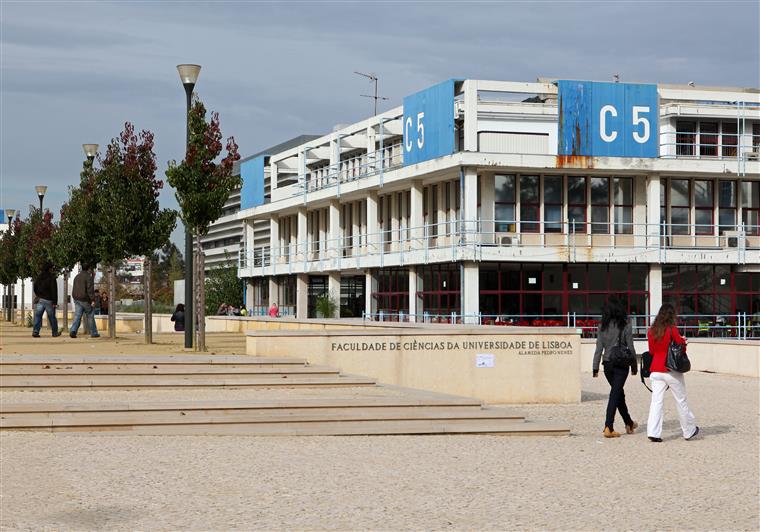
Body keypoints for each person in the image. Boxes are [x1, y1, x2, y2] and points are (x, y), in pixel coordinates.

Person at [646, 303, 698, 442]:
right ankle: (688, 430)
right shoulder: (672, 329)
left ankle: (653, 432)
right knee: (681, 400)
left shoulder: (651, 331)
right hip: (670, 370)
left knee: (656, 402)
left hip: (656, 369)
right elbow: (680, 347)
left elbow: (651, 351)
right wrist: (683, 341)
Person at [592, 297, 637, 438]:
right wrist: (635, 365)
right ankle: (608, 427)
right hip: (621, 365)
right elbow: (631, 347)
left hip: (607, 365)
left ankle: (629, 423)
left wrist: (595, 367)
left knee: (618, 394)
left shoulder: (602, 326)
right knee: (615, 394)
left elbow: (599, 348)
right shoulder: (625, 325)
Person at [69, 263, 100, 338]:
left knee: (77, 315)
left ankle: (73, 330)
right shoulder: (88, 277)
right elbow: (90, 290)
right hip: (85, 299)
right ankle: (94, 332)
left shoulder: (77, 276)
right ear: (89, 269)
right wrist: (92, 300)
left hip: (76, 298)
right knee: (90, 315)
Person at [32, 261, 60, 338]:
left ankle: (35, 331)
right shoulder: (52, 277)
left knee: (38, 316)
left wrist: (38, 295)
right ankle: (54, 332)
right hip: (49, 300)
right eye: (52, 268)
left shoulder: (39, 277)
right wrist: (55, 302)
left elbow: (35, 287)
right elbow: (54, 290)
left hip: (40, 299)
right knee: (52, 317)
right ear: (49, 269)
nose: (52, 270)